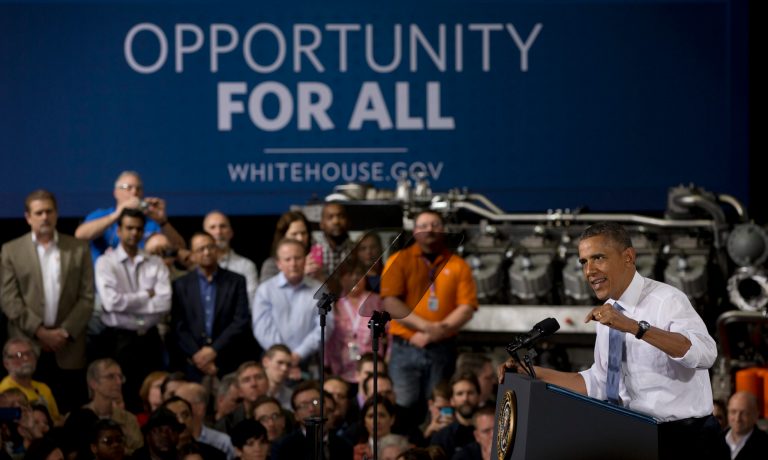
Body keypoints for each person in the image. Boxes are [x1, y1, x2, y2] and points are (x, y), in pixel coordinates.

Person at [498, 222, 721, 460]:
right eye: (584, 262)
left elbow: (705, 354)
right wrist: (532, 372)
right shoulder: (609, 313)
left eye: (598, 258)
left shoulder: (666, 300)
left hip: (686, 441)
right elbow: (601, 383)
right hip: (635, 437)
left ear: (628, 257)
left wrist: (635, 327)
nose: (589, 270)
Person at [1, 190, 94, 413]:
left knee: (69, 413)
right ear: (28, 217)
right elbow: (8, 298)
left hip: (68, 347)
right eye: (38, 212)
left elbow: (87, 296)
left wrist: (63, 332)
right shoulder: (11, 250)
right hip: (28, 345)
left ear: (57, 214)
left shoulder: (78, 248)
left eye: (49, 211)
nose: (44, 217)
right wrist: (40, 331)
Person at [381, 210, 478, 419]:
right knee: (402, 406)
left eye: (435, 225)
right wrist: (427, 328)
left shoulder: (458, 264)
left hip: (442, 349)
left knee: (441, 406)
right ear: (414, 231)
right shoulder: (399, 260)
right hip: (406, 346)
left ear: (443, 230)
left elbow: (467, 307)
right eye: (423, 225)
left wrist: (439, 332)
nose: (429, 230)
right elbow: (390, 302)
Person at [94, 208, 171, 411]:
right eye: (129, 228)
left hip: (150, 340)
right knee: (121, 397)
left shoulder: (155, 263)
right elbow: (111, 303)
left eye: (138, 229)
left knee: (154, 397)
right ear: (118, 231)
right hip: (119, 340)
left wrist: (127, 303)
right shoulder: (105, 262)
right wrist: (147, 295)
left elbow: (165, 302)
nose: (134, 233)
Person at [169, 232, 254, 380]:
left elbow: (240, 320)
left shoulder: (236, 281)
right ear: (192, 255)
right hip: (192, 362)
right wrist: (198, 356)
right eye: (201, 249)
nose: (207, 252)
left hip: (228, 359)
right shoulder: (180, 285)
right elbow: (178, 325)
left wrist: (213, 350)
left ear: (217, 250)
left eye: (210, 247)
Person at [75, 170, 186, 265]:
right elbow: (80, 235)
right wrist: (117, 214)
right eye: (127, 187)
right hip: (104, 282)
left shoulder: (150, 221)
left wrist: (162, 222)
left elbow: (180, 247)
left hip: (140, 281)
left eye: (138, 188)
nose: (134, 192)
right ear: (116, 192)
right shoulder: (103, 215)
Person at [252, 239, 330, 370]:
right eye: (287, 259)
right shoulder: (265, 290)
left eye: (297, 258)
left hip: (310, 361)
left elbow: (325, 326)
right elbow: (262, 328)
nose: (293, 264)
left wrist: (299, 354)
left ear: (305, 260)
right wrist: (284, 358)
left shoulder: (320, 290)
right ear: (279, 263)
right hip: (273, 363)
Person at [326, 261, 385, 384]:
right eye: (349, 274)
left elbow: (390, 334)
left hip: (372, 369)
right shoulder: (334, 304)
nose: (355, 278)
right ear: (341, 279)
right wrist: (327, 365)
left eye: (359, 274)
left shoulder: (376, 301)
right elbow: (328, 338)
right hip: (341, 371)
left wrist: (387, 361)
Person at [83, 359, 143, 455]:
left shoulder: (129, 419)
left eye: (120, 377)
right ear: (93, 383)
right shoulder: (77, 419)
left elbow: (139, 453)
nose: (119, 382)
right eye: (111, 377)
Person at [203, 211, 260, 304]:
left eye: (223, 226)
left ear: (231, 232)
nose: (218, 232)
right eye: (212, 227)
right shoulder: (195, 266)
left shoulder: (246, 266)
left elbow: (251, 302)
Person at [0, 338, 60, 423]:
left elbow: (56, 420)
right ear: (6, 364)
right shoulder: (4, 393)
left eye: (28, 353)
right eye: (18, 355)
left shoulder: (44, 388)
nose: (25, 359)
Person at [174, 382, 236, 460]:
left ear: (200, 408)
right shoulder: (167, 443)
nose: (176, 408)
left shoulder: (222, 442)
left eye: (183, 403)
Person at [260, 210, 321, 283]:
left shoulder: (315, 260)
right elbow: (267, 293)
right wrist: (301, 274)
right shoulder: (271, 265)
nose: (300, 238)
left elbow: (330, 294)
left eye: (303, 233)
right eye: (294, 234)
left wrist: (321, 276)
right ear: (283, 237)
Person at [429, 373, 481, 459]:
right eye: (460, 394)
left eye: (470, 393)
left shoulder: (491, 432)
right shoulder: (441, 438)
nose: (465, 398)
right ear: (452, 400)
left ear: (479, 396)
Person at [311, 202, 354, 275]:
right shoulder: (313, 251)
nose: (336, 221)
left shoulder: (356, 250)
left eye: (341, 216)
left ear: (348, 222)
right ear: (321, 224)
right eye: (330, 217)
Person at [722, 391, 768, 459]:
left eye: (744, 413)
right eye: (733, 412)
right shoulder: (714, 441)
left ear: (756, 415)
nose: (737, 418)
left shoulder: (764, 444)